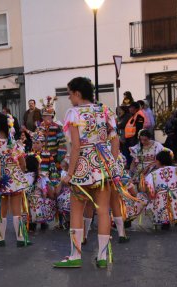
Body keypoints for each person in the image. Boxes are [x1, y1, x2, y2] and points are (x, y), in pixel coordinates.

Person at [54, 77, 119, 268]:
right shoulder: (105, 110)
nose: (69, 97)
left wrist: (70, 173)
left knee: (76, 210)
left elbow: (76, 146)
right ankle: (101, 257)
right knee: (103, 211)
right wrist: (111, 163)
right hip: (103, 164)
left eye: (69, 93)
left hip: (83, 165)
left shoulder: (74, 113)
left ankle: (75, 256)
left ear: (77, 93)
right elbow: (115, 140)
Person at [0, 112, 30, 247]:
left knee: (2, 208)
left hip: (1, 178)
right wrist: (19, 173)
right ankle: (20, 238)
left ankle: (1, 238)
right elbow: (23, 163)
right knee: (17, 208)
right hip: (15, 177)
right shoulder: (16, 144)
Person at [145, 150, 177, 229]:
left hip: (161, 202)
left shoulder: (152, 175)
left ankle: (165, 221)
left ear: (158, 161)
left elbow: (150, 192)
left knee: (159, 197)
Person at [24, 154, 55, 231]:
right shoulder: (42, 177)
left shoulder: (23, 177)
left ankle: (30, 222)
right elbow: (47, 193)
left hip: (26, 205)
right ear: (37, 165)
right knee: (49, 199)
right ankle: (43, 222)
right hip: (38, 206)